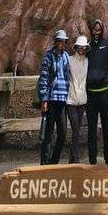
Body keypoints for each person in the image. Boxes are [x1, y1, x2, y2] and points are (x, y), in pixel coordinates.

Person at [86, 18, 108, 165]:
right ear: (91, 31)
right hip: (91, 94)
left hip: (105, 93)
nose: (96, 32)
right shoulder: (87, 47)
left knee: (106, 127)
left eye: (99, 30)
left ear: (103, 30)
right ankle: (92, 160)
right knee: (91, 129)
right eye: (94, 30)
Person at [38, 28, 70, 165]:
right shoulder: (48, 56)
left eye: (63, 41)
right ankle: (44, 163)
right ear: (56, 42)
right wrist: (44, 99)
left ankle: (54, 161)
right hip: (51, 99)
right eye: (59, 41)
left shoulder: (66, 56)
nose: (61, 43)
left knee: (62, 133)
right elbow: (44, 78)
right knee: (48, 133)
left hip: (63, 100)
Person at [67, 33, 89, 162]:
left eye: (84, 47)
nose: (81, 49)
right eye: (79, 46)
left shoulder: (87, 61)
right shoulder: (69, 59)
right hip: (70, 99)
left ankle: (72, 159)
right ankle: (76, 159)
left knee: (77, 129)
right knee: (75, 128)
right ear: (76, 47)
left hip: (83, 100)